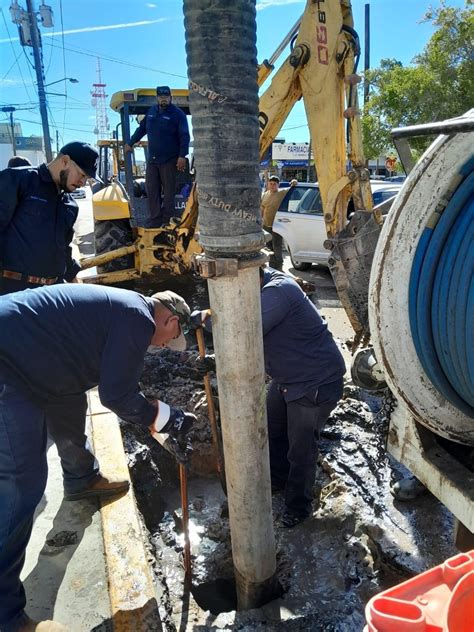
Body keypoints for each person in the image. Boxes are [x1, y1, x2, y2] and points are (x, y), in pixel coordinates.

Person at [0, 284, 196, 632]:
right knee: (21, 483)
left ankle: (82, 478)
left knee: (70, 402)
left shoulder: (125, 310)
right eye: (170, 337)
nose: (164, 346)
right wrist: (168, 418)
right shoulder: (137, 319)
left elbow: (100, 380)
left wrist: (156, 414)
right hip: (8, 365)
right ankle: (7, 617)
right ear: (167, 318)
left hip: (35, 360)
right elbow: (117, 394)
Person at [196, 267, 346, 528]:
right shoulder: (262, 287)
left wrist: (204, 319)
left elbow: (241, 330)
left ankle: (298, 507)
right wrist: (214, 357)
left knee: (300, 448)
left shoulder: (278, 292)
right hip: (288, 378)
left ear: (253, 276)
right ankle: (278, 479)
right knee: (271, 427)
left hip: (316, 381)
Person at [0, 141, 100, 296]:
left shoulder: (70, 205)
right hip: (13, 294)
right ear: (65, 161)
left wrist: (74, 279)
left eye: (87, 178)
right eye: (82, 175)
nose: (83, 183)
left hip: (52, 294)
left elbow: (63, 249)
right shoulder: (20, 180)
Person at [124, 86, 190, 227]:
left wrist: (182, 156)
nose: (163, 99)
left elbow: (184, 135)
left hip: (170, 160)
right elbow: (141, 129)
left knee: (168, 191)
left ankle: (167, 221)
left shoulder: (178, 115)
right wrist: (130, 143)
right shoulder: (151, 112)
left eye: (166, 97)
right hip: (153, 160)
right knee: (151, 189)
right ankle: (155, 220)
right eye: (161, 97)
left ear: (170, 98)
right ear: (157, 98)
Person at [260, 175, 298, 270]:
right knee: (269, 248)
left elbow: (293, 186)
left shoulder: (282, 192)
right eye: (271, 184)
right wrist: (260, 220)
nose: (272, 186)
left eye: (274, 184)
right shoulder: (265, 194)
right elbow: (262, 208)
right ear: (268, 184)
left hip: (277, 225)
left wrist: (293, 181)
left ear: (278, 185)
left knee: (277, 247)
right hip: (266, 226)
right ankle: (272, 267)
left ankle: (279, 268)